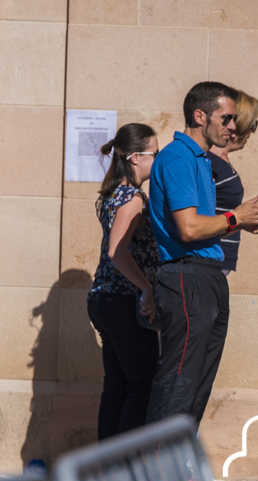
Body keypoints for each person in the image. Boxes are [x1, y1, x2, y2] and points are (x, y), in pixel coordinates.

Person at [146, 81, 258, 425]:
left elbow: (203, 223)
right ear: (200, 115)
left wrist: (238, 224)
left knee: (198, 385)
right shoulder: (177, 158)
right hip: (186, 278)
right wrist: (236, 217)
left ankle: (180, 472)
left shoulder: (200, 160)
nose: (233, 127)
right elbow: (188, 229)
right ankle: (156, 477)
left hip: (206, 276)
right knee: (179, 383)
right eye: (226, 118)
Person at [87, 123, 161, 440]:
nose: (158, 160)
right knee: (142, 386)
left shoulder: (112, 193)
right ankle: (125, 469)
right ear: (134, 157)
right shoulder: (132, 197)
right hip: (122, 299)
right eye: (154, 154)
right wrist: (146, 287)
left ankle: (106, 471)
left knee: (117, 386)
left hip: (104, 298)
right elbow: (118, 253)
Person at [208, 90, 258, 274]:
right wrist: (238, 218)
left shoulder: (221, 161)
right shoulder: (210, 163)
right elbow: (200, 221)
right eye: (252, 124)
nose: (252, 132)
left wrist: (242, 222)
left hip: (219, 262)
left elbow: (219, 217)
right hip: (209, 262)